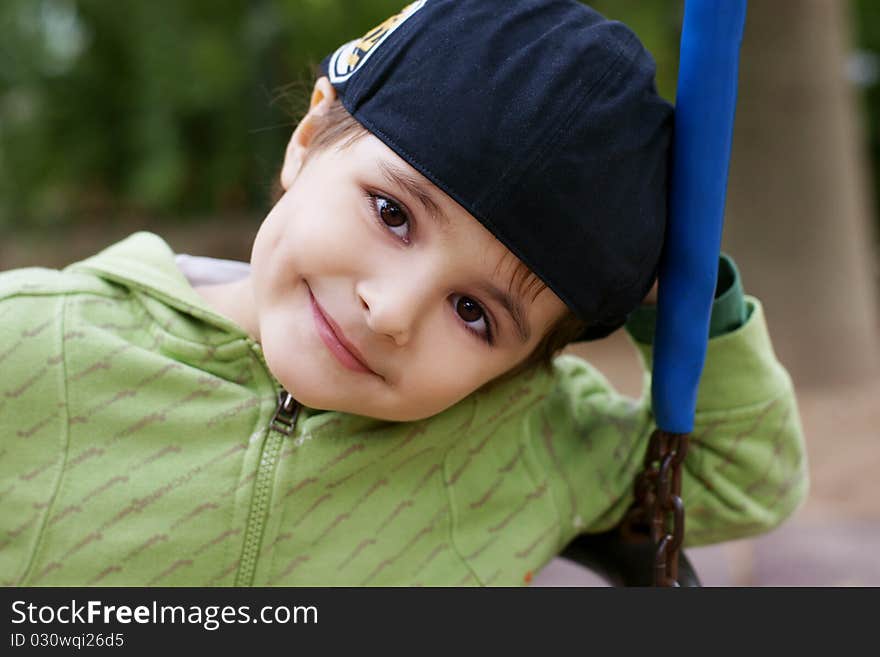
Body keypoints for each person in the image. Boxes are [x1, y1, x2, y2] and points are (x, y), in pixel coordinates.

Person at [0, 0, 807, 586]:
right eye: (392, 214)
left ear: (528, 361)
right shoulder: (33, 345)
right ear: (310, 136)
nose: (389, 311)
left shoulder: (519, 445)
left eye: (475, 313)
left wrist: (685, 308)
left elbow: (741, 480)